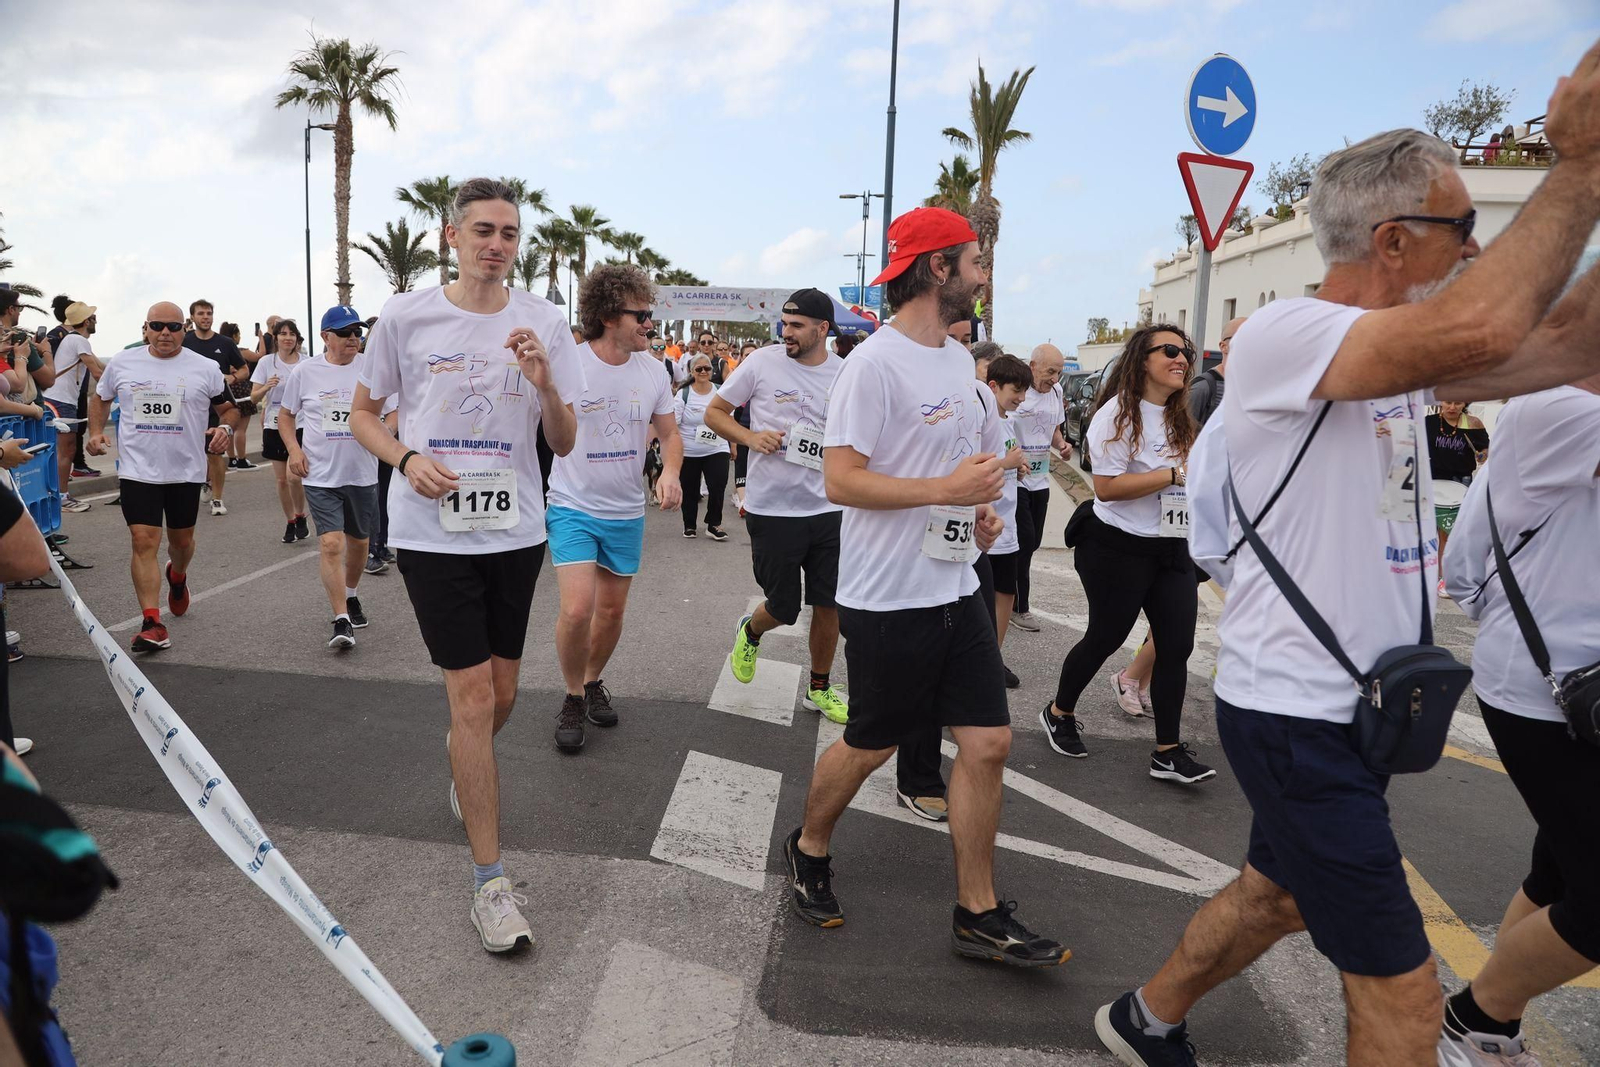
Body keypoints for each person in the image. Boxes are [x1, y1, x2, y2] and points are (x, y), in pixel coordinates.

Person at [1093, 72, 1600, 1063]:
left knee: (1271, 896)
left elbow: (1566, 337)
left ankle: (1141, 1016)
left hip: (1354, 709)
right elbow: (1489, 327)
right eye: (1463, 228)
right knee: (1405, 999)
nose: (1479, 251)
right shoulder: (1290, 333)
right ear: (1393, 241)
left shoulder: (1396, 355)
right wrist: (1579, 163)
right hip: (1296, 715)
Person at [786, 206, 1068, 966]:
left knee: (989, 741)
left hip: (954, 587)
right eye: (975, 261)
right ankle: (809, 847)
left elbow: (969, 468)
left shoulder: (958, 362)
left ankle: (977, 909)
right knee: (871, 743)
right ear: (937, 268)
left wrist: (975, 512)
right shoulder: (873, 365)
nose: (984, 274)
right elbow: (840, 478)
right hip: (885, 598)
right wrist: (941, 490)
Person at [351, 177, 582, 954]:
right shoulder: (408, 315)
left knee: (501, 694)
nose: (497, 243)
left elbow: (565, 439)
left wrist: (547, 383)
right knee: (474, 696)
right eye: (483, 229)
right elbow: (361, 415)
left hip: (515, 529)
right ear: (451, 236)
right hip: (431, 532)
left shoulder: (543, 321)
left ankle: (466, 759)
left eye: (510, 233)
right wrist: (405, 456)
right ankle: (491, 883)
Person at [1441, 370, 1600, 1066]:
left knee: (1561, 874)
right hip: (1550, 690)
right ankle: (1470, 1017)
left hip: (1571, 680)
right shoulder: (1558, 408)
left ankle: (1490, 1031)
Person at [1039, 324, 1214, 784]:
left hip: (1170, 547)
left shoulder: (1180, 414)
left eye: (1187, 352)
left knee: (1177, 646)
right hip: (1115, 545)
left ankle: (1168, 751)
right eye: (1171, 350)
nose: (1182, 359)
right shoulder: (1117, 413)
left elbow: (1193, 478)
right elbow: (1107, 488)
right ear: (1142, 360)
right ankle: (1059, 711)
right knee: (1106, 635)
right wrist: (1171, 475)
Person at [546, 263, 680, 753]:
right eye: (640, 314)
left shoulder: (654, 370)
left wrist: (668, 472)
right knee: (578, 609)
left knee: (610, 611)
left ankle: (593, 677)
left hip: (626, 510)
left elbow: (669, 433)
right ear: (607, 315)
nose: (649, 323)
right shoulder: (572, 364)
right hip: (573, 503)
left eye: (650, 313)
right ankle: (572, 695)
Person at [707, 289, 850, 732]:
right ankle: (750, 631)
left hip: (829, 507)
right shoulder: (762, 363)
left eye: (796, 325)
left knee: (830, 605)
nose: (785, 332)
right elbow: (715, 412)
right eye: (784, 324)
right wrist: (750, 438)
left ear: (822, 329)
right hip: (773, 508)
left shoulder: (846, 373)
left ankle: (820, 687)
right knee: (785, 607)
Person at [86, 302, 240, 653]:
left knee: (181, 543)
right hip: (138, 470)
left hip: (185, 470)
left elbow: (228, 407)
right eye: (157, 326)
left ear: (183, 329)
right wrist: (95, 432)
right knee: (142, 541)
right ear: (146, 328)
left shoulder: (205, 368)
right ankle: (152, 621)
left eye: (172, 326)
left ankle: (178, 575)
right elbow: (100, 398)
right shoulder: (124, 363)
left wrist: (225, 428)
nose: (165, 333)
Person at [1118, 315, 1243, 714]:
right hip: (1190, 512)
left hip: (1223, 508)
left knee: (1178, 610)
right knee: (1175, 607)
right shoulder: (1208, 387)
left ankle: (1140, 678)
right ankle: (1133, 676)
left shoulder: (1247, 387)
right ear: (1225, 345)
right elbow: (1185, 439)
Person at [279, 306, 384, 650]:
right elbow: (285, 416)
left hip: (362, 472)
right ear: (326, 337)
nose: (353, 339)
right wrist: (295, 451)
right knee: (331, 543)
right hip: (321, 474)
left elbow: (395, 411)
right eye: (345, 333)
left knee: (359, 544)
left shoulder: (372, 370)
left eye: (357, 332)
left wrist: (384, 435)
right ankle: (341, 618)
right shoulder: (306, 372)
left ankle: (351, 594)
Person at [979, 354, 1034, 687]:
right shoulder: (983, 421)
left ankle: (993, 660)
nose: (1022, 398)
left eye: (1025, 391)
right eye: (1017, 390)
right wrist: (1006, 462)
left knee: (1005, 594)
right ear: (993, 386)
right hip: (987, 525)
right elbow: (975, 469)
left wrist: (1019, 466)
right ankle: (979, 661)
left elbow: (1009, 462)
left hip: (1008, 525)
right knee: (984, 599)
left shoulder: (1009, 422)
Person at [1008, 344, 1070, 632]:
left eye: (1058, 372)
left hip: (1041, 479)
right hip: (1016, 478)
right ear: (1033, 366)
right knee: (1023, 539)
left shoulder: (1056, 393)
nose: (1055, 378)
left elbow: (1054, 428)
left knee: (1031, 544)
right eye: (1049, 371)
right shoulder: (1019, 391)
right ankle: (1019, 608)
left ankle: (1007, 595)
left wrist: (1062, 445)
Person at [183, 300, 249, 516]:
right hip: (189, 405)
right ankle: (204, 481)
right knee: (194, 453)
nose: (205, 317)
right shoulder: (184, 341)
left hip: (217, 405)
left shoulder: (225, 342)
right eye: (201, 313)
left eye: (209, 313)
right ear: (192, 317)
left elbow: (244, 369)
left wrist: (233, 377)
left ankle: (218, 499)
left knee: (215, 452)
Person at [41, 302, 103, 514]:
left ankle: (56, 495)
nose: (96, 321)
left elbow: (103, 368)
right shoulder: (78, 339)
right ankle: (62, 497)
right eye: (93, 317)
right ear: (87, 322)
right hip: (61, 401)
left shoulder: (73, 339)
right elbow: (97, 373)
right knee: (66, 450)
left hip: (55, 399)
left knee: (58, 450)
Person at [250, 320, 310, 541]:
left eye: (292, 334)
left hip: (301, 424)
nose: (288, 338)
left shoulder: (306, 363)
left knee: (293, 477)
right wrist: (267, 386)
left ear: (297, 339)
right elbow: (254, 396)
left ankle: (301, 513)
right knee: (281, 481)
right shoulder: (267, 362)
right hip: (274, 424)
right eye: (283, 334)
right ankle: (291, 521)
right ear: (275, 338)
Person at [674, 353, 731, 539]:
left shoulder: (720, 392)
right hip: (689, 450)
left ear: (712, 370)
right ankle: (689, 524)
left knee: (718, 485)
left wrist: (735, 446)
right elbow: (673, 425)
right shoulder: (684, 394)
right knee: (690, 489)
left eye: (707, 368)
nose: (703, 372)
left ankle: (713, 524)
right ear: (692, 372)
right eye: (699, 369)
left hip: (717, 448)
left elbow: (729, 422)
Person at [219, 322, 261, 471]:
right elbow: (260, 355)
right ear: (235, 335)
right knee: (241, 429)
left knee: (228, 427)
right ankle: (242, 459)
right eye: (239, 334)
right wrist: (261, 336)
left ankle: (232, 460)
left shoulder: (220, 350)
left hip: (225, 390)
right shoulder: (241, 351)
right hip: (241, 390)